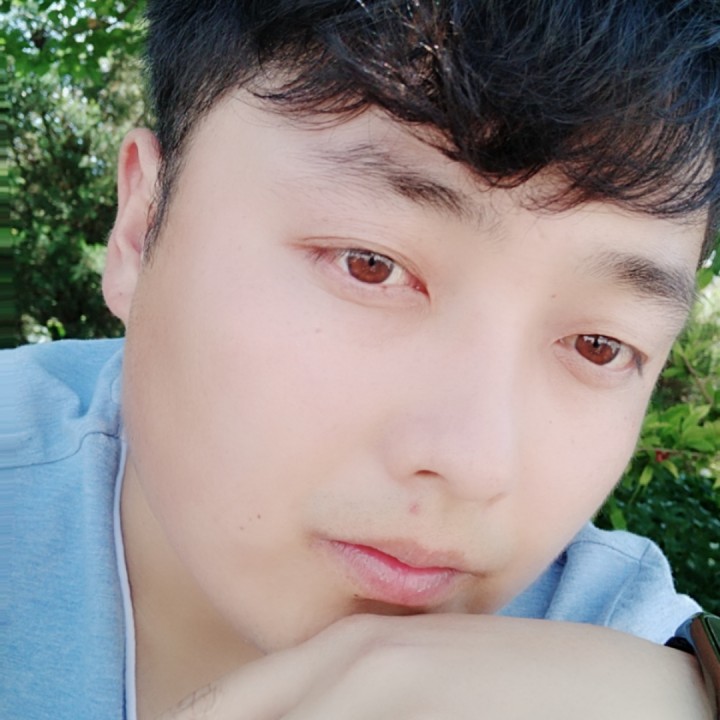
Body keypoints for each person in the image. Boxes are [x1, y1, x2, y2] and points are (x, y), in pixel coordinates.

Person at [4, 1, 719, 718]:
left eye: (599, 346)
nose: (476, 464)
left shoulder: (614, 639)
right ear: (140, 229)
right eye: (369, 264)